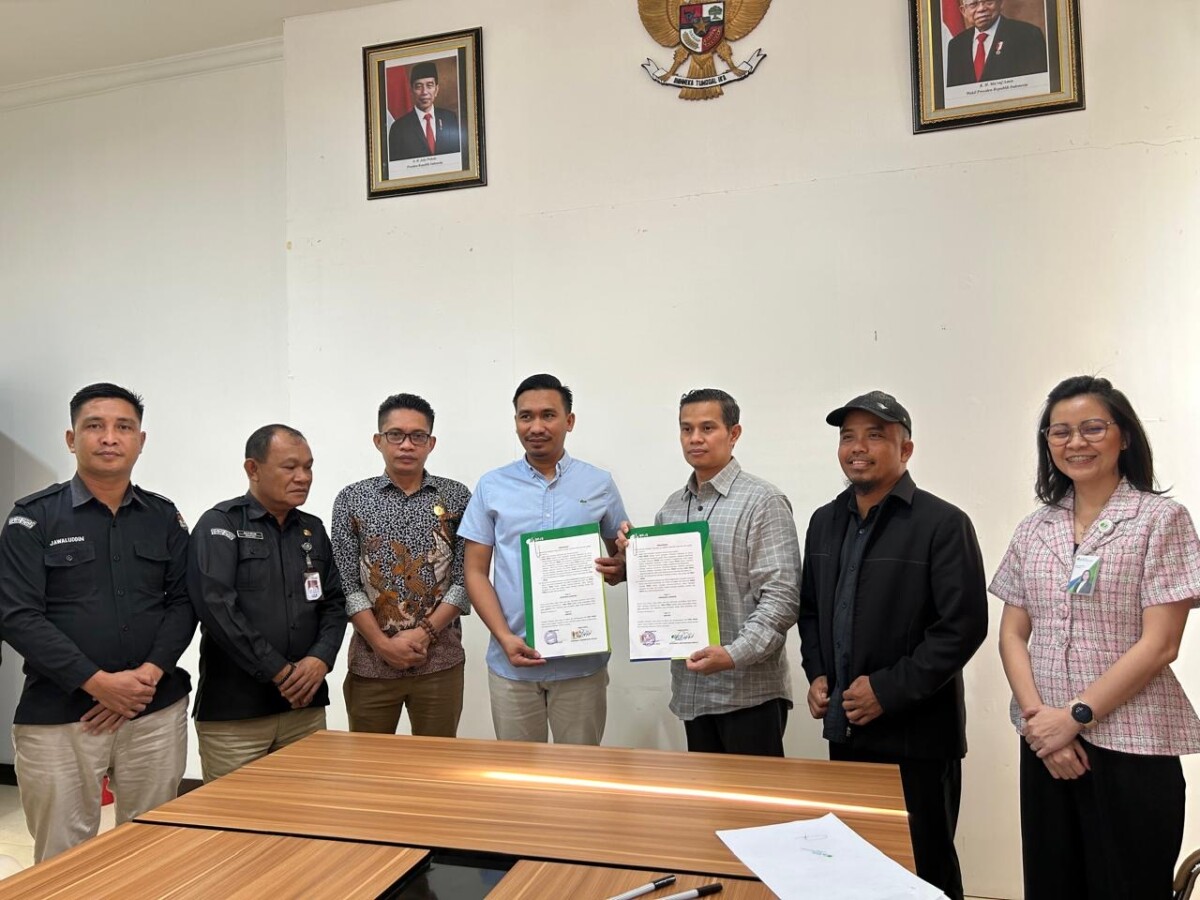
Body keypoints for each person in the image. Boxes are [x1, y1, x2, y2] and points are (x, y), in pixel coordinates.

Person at [991, 376, 1200, 899]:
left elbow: (1161, 644)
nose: (1075, 442)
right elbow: (1012, 633)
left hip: (1132, 745)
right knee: (1051, 885)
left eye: (1092, 428)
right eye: (1060, 432)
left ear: (1123, 436)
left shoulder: (1160, 520)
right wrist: (1041, 723)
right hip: (1044, 742)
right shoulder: (1035, 528)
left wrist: (1075, 717)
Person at [798, 390, 987, 900]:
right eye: (848, 436)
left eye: (875, 435)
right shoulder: (824, 521)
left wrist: (887, 690)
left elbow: (962, 627)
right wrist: (817, 674)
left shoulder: (943, 524)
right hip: (846, 730)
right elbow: (810, 611)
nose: (857, 447)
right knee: (854, 867)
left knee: (924, 869)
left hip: (918, 737)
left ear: (906, 450)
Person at [0, 383, 195, 861]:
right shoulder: (32, 519)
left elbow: (185, 602)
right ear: (71, 439)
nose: (110, 437)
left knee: (152, 850)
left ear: (140, 441)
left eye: (123, 427)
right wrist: (97, 683)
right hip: (62, 714)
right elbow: (17, 615)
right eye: (95, 426)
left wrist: (146, 677)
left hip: (153, 708)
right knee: (64, 859)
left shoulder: (164, 517)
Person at [617, 388, 800, 755]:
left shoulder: (763, 501)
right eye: (686, 429)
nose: (695, 438)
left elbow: (782, 599)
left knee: (753, 795)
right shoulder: (671, 509)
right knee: (705, 796)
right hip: (693, 693)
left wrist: (732, 654)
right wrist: (634, 561)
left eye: (707, 428)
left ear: (734, 433)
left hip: (748, 694)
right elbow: (666, 593)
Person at [459, 374, 628, 745]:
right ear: (516, 422)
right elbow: (474, 572)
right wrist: (504, 638)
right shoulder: (492, 486)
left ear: (569, 421)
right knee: (519, 774)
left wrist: (622, 566)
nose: (536, 427)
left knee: (580, 771)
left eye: (548, 415)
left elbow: (621, 557)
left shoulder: (599, 483)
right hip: (512, 663)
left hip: (581, 664)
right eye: (526, 416)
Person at [187, 424, 346, 782]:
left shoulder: (312, 530)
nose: (303, 477)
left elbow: (334, 604)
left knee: (306, 807)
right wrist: (279, 670)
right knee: (236, 812)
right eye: (290, 467)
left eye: (308, 466)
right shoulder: (220, 524)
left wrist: (320, 659)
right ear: (253, 469)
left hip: (304, 707)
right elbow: (217, 608)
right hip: (236, 714)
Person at [332, 393, 471, 737]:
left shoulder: (456, 497)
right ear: (378, 440)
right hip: (371, 664)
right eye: (395, 435)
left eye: (417, 436)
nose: (407, 445)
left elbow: (465, 579)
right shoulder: (352, 499)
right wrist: (382, 644)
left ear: (431, 443)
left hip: (439, 662)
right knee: (371, 762)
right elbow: (346, 583)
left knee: (437, 761)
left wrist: (424, 633)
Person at [946, 0, 1048, 87]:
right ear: (963, 11)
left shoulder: (1028, 35)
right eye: (973, 4)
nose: (981, 8)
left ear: (1000, 3)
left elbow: (1038, 85)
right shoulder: (956, 46)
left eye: (988, 2)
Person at [389, 61, 462, 161]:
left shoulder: (449, 118)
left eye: (429, 85)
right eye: (419, 87)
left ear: (436, 89)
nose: (424, 92)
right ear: (411, 91)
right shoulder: (399, 128)